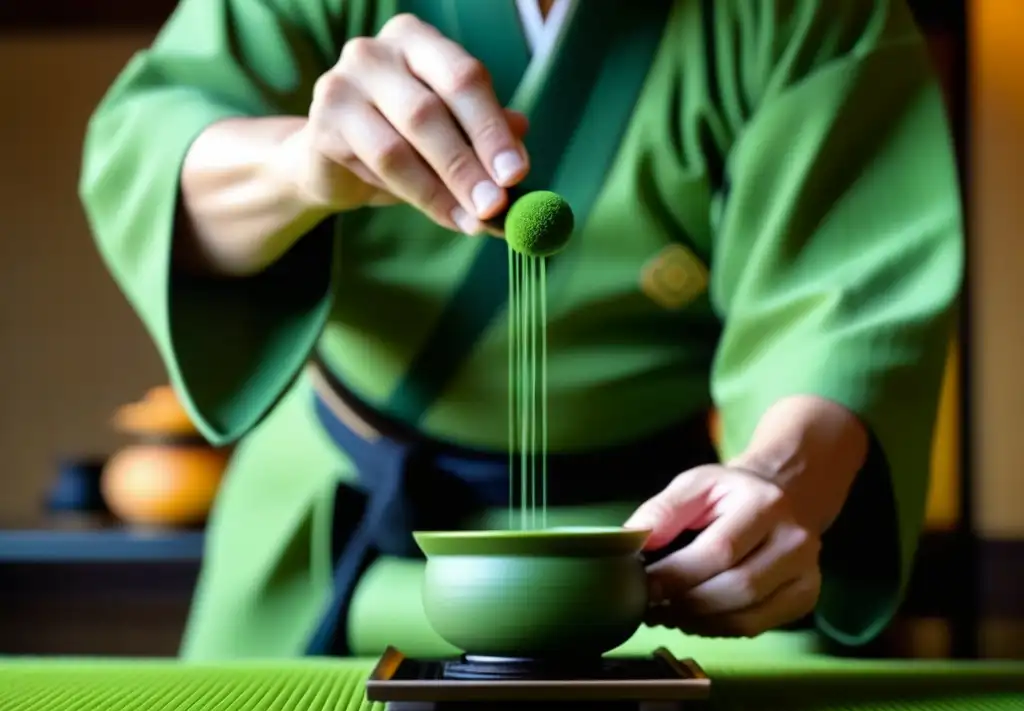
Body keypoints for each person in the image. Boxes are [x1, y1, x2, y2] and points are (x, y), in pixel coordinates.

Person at [79, 0, 962, 660]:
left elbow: (847, 298)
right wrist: (304, 163)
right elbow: (151, 150)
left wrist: (777, 486)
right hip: (331, 523)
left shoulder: (808, 15)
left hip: (646, 551)